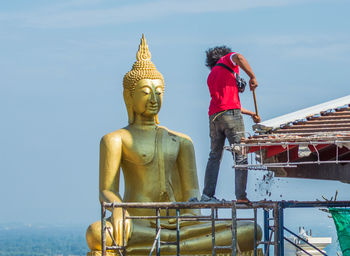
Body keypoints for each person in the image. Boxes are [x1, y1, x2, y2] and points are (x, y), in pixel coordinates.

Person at [85, 36, 261, 255]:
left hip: (179, 223)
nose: (154, 99)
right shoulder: (115, 139)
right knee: (97, 234)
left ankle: (178, 236)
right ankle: (236, 197)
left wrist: (189, 218)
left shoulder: (181, 140)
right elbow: (107, 190)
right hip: (138, 222)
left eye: (158, 93)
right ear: (128, 97)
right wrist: (119, 212)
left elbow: (190, 193)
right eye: (146, 92)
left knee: (250, 231)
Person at [201, 46, 261, 203]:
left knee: (214, 156)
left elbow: (225, 104)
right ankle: (241, 196)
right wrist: (252, 77)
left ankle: (207, 195)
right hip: (231, 115)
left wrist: (251, 114)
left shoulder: (212, 76)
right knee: (240, 154)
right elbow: (240, 57)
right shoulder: (227, 60)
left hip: (214, 117)